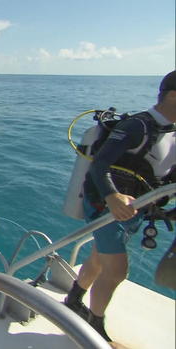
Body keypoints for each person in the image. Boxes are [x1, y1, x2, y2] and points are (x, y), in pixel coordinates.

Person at [64, 70, 176, 342]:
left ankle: (74, 298)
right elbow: (99, 166)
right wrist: (112, 197)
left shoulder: (172, 131)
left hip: (136, 208)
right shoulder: (137, 127)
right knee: (116, 270)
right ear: (173, 96)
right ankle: (95, 326)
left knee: (98, 258)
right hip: (105, 204)